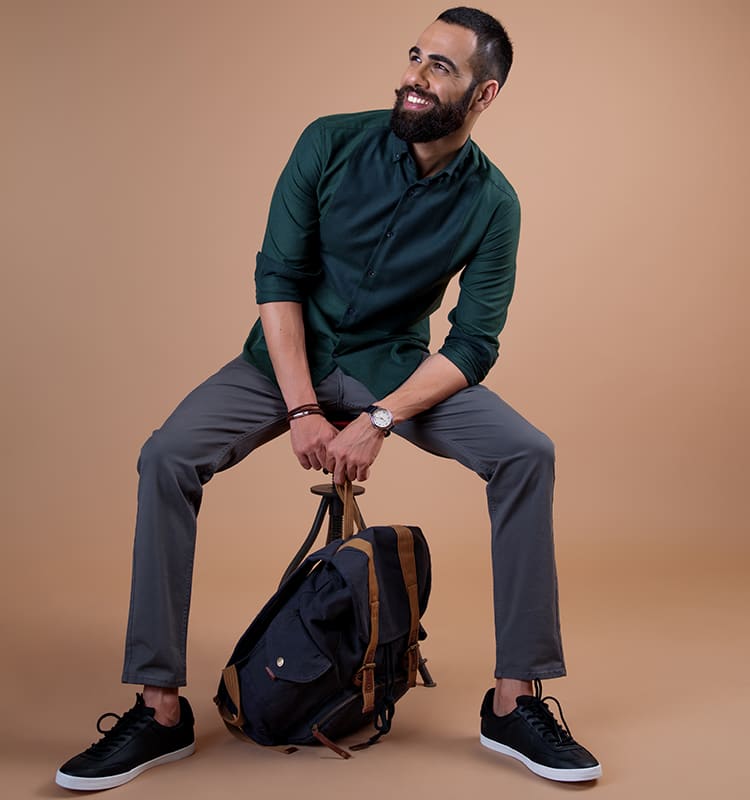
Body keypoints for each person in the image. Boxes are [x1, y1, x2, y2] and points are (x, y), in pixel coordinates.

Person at [55, 6, 601, 791]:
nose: (413, 76)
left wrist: (381, 417)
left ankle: (515, 702)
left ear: (483, 96)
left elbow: (473, 345)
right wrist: (304, 408)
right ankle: (159, 708)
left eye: (440, 66)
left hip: (391, 369)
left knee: (526, 453)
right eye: (415, 55)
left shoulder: (494, 203)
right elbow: (278, 279)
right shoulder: (329, 142)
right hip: (283, 361)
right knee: (167, 456)